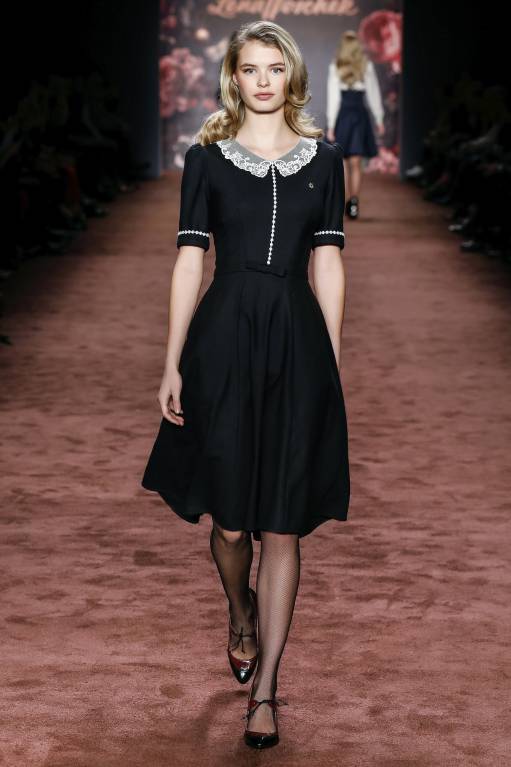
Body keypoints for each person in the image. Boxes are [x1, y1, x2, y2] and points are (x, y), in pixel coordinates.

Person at [141, 19, 350, 750]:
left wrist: (329, 363)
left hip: (296, 339)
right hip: (223, 340)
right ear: (233, 77)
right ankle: (240, 611)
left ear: (292, 76)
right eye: (250, 68)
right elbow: (188, 260)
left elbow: (328, 261)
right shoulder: (206, 160)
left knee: (282, 523)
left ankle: (265, 694)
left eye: (274, 68)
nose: (263, 80)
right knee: (230, 524)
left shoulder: (325, 161)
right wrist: (171, 360)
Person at [326, 29, 385, 219]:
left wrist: (331, 125)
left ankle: (344, 203)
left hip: (343, 116)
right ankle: (353, 204)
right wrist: (379, 118)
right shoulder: (365, 66)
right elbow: (373, 94)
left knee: (342, 162)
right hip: (359, 115)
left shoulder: (336, 66)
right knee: (356, 162)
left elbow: (334, 98)